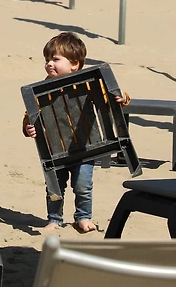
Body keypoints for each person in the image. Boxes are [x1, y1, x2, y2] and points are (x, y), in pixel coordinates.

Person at [21, 33, 128, 234]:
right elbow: (30, 114)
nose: (49, 64)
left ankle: (83, 217)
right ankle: (54, 219)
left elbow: (109, 96)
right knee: (54, 187)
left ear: (74, 64)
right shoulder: (41, 90)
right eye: (47, 60)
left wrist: (121, 96)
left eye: (55, 59)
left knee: (83, 185)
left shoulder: (86, 83)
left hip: (85, 147)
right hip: (55, 149)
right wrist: (28, 126)